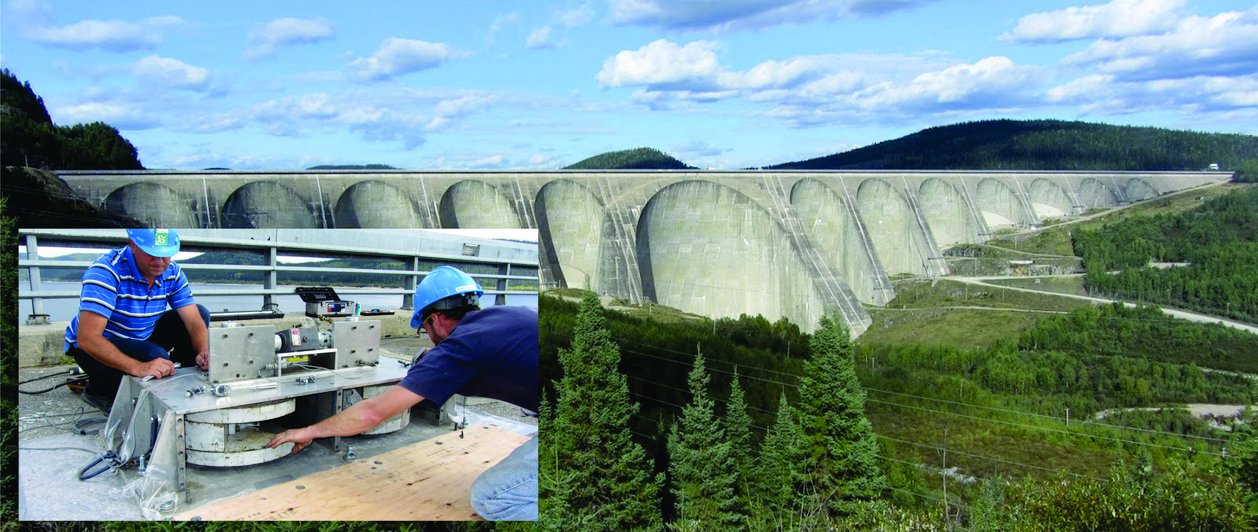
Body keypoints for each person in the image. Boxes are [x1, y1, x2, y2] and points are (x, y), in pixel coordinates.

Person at [266, 265, 539, 521]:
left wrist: (310, 430)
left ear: (434, 319)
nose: (428, 337)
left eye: (424, 329)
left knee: (491, 498)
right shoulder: (505, 316)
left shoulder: (461, 347)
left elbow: (372, 413)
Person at [64, 228, 210, 412]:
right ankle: (100, 390)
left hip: (139, 337)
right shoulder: (106, 271)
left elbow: (194, 321)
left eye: (165, 255)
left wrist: (205, 352)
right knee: (154, 356)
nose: (159, 262)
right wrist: (139, 367)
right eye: (152, 254)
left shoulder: (172, 271)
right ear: (133, 245)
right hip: (95, 347)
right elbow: (87, 339)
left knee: (201, 313)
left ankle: (180, 382)